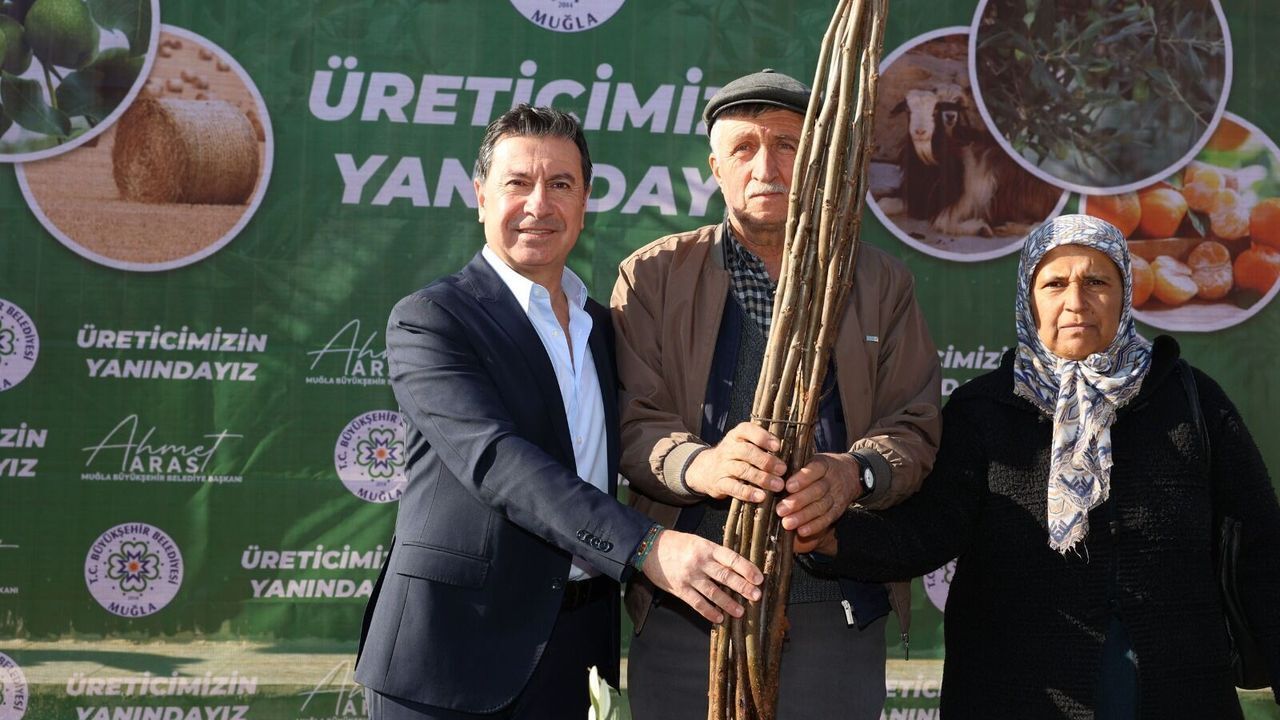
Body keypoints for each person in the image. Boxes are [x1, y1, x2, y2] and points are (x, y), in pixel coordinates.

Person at [355, 104, 765, 720]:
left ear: (585, 200)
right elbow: (496, 461)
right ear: (481, 196)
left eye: (561, 184)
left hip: (576, 652)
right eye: (517, 183)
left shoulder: (603, 324)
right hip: (450, 654)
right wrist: (647, 546)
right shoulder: (431, 319)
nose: (539, 204)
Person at [810, 214, 1280, 718]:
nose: (1076, 301)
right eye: (1055, 284)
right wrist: (827, 533)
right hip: (1020, 695)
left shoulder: (1191, 400)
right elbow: (929, 530)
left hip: (1179, 692)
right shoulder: (985, 409)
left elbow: (1260, 550)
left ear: (1124, 294)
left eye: (1096, 282)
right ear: (1028, 299)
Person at [611, 70, 943, 719]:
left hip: (837, 610)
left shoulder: (880, 282)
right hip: (690, 603)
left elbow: (916, 422)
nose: (767, 167)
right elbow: (631, 420)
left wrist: (854, 473)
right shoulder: (652, 276)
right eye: (744, 148)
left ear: (818, 159)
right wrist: (701, 465)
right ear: (715, 167)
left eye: (788, 145)